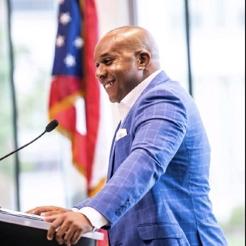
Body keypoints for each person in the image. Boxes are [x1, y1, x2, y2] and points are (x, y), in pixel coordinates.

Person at [28, 26, 227, 246]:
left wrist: (88, 216)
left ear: (142, 60)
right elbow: (132, 188)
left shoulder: (164, 99)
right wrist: (77, 211)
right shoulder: (139, 107)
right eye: (97, 65)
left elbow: (145, 162)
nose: (99, 72)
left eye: (108, 61)